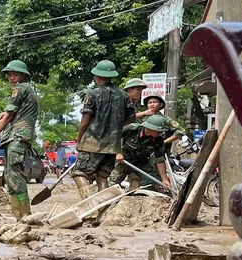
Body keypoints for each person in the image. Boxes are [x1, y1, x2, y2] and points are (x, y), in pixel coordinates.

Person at [0, 60, 40, 219]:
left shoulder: (20, 88)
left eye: (15, 74)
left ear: (22, 75)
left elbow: (9, 116)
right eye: (9, 74)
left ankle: (24, 215)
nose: (11, 78)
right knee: (10, 176)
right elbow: (11, 113)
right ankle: (18, 215)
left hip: (17, 136)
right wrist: (4, 114)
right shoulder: (27, 90)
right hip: (18, 136)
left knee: (14, 176)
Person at [71, 60, 129, 198]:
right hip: (112, 146)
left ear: (97, 77)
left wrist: (79, 140)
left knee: (79, 172)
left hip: (92, 143)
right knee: (102, 177)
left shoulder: (93, 94)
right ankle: (103, 211)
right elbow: (130, 118)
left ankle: (88, 205)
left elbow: (85, 121)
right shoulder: (123, 95)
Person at [109, 115, 172, 190]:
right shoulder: (132, 129)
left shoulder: (158, 140)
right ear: (150, 128)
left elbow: (160, 160)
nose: (160, 133)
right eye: (158, 131)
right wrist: (118, 152)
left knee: (153, 181)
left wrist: (164, 180)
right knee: (112, 184)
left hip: (142, 163)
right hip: (124, 160)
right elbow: (114, 137)